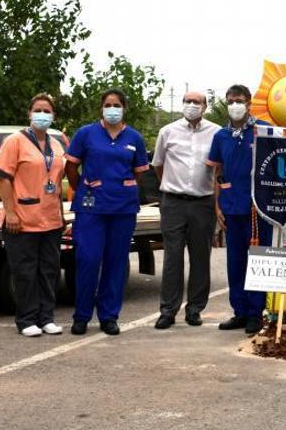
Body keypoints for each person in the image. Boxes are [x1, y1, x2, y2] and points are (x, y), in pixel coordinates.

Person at [65, 89, 150, 335]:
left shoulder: (134, 137)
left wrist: (120, 185)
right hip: (91, 208)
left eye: (117, 105)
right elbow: (71, 166)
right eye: (108, 104)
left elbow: (139, 171)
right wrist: (81, 187)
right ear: (101, 108)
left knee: (116, 262)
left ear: (124, 108)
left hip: (123, 208)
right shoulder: (86, 134)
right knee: (88, 259)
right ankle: (81, 316)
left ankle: (109, 316)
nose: (112, 109)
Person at [0, 94, 66, 337]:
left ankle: (46, 317)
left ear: (53, 115)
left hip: (50, 219)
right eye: (38, 110)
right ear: (29, 113)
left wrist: (61, 215)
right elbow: (3, 177)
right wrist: (10, 212)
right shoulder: (15, 141)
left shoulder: (56, 145)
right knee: (24, 272)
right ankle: (26, 320)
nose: (42, 115)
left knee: (48, 271)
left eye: (47, 111)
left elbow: (55, 182)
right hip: (22, 219)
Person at [206, 85, 273, 334]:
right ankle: (240, 312)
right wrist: (216, 205)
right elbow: (217, 171)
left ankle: (256, 313)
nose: (235, 105)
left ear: (249, 102)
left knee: (257, 260)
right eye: (231, 101)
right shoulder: (220, 136)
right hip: (231, 207)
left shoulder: (263, 130)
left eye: (240, 100)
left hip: (259, 209)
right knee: (235, 262)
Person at [152, 92, 220, 329]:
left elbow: (219, 169)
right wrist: (170, 187)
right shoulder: (168, 131)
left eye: (197, 102)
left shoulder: (216, 132)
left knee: (201, 257)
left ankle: (194, 309)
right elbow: (158, 165)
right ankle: (168, 311)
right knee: (172, 257)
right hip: (173, 203)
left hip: (203, 203)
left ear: (205, 106)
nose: (192, 106)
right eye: (188, 101)